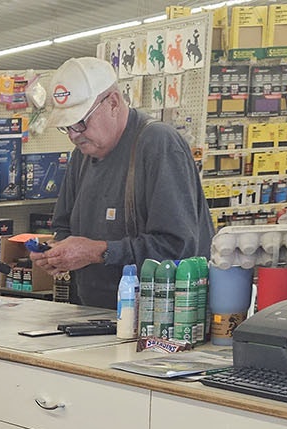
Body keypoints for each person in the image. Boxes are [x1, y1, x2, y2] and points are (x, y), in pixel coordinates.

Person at [31, 57, 213, 309]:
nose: (74, 135)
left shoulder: (158, 144)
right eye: (67, 128)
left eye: (80, 122)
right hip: (94, 314)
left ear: (113, 103)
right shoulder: (81, 156)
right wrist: (55, 253)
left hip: (158, 318)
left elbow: (177, 249)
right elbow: (64, 227)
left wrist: (97, 251)